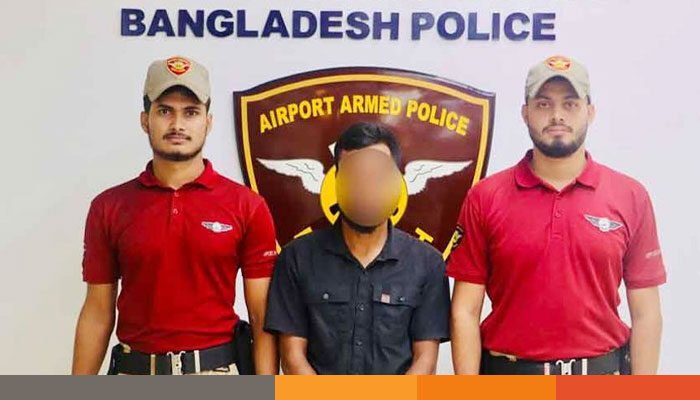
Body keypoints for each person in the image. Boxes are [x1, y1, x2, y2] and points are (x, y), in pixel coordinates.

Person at [449, 55, 666, 375]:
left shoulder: (630, 196)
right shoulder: (485, 197)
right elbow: (465, 311)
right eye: (543, 104)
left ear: (590, 112)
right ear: (525, 113)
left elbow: (646, 313)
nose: (557, 115)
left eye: (570, 104)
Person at [72, 56, 279, 375]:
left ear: (208, 122)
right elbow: (98, 313)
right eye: (165, 111)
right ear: (145, 120)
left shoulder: (247, 206)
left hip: (216, 373)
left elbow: (261, 316)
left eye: (191, 112)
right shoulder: (109, 207)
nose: (178, 125)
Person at [264, 122, 451, 374]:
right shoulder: (297, 258)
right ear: (337, 180)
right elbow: (292, 356)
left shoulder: (427, 263)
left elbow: (425, 361)